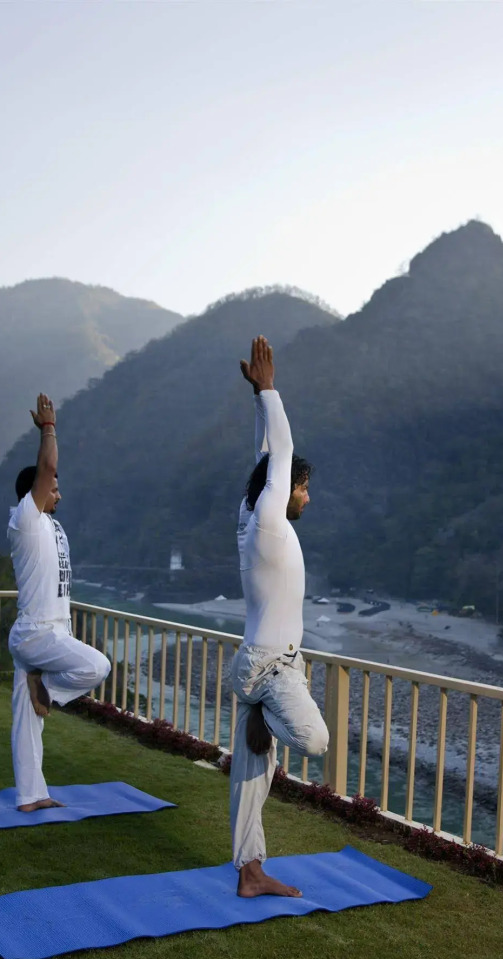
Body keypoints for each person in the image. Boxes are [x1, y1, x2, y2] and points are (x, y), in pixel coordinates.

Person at [230, 337, 329, 897]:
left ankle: (250, 872)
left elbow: (268, 453)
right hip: (273, 669)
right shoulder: (268, 519)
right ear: (284, 489)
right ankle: (265, 718)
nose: (307, 497)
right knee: (314, 741)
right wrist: (269, 391)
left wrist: (257, 403)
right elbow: (281, 449)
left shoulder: (251, 517)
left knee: (251, 777)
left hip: (256, 662)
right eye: (304, 487)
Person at [7, 393, 111, 811]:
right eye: (53, 488)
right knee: (97, 665)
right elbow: (47, 467)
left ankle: (31, 795)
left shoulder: (50, 524)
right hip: (37, 633)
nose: (59, 493)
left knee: (26, 720)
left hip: (47, 632)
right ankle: (45, 687)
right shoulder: (26, 520)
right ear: (34, 492)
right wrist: (49, 429)